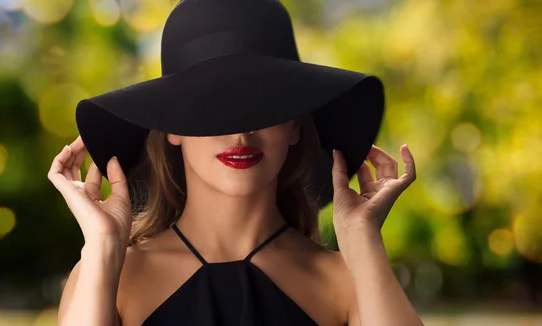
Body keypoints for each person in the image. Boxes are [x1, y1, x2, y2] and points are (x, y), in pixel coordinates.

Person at [49, 0, 424, 325]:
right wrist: (101, 246)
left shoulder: (347, 281)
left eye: (263, 105)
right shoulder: (110, 274)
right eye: (213, 107)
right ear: (170, 128)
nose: (240, 132)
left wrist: (363, 241)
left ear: (295, 125)